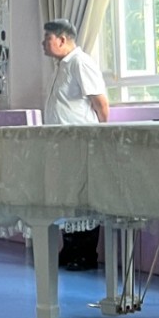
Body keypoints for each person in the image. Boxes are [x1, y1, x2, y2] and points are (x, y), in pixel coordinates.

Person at [42, 17, 109, 269]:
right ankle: (69, 249)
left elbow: (101, 104)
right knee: (66, 198)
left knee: (83, 198)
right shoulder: (61, 66)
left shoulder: (81, 63)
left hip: (80, 143)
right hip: (60, 145)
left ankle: (86, 253)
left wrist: (98, 136)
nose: (43, 43)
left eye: (47, 38)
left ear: (62, 39)